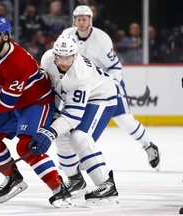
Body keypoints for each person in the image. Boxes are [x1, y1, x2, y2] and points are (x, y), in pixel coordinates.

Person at [0, 17, 72, 207]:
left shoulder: (18, 62)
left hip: (37, 102)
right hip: (15, 103)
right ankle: (12, 177)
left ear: (6, 36)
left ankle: (60, 189)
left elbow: (6, 101)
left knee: (26, 146)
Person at [61, 6, 160, 175]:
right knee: (75, 120)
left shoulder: (101, 39)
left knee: (124, 120)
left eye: (85, 19)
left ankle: (149, 145)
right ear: (74, 20)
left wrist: (114, 84)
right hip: (82, 87)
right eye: (78, 19)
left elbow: (115, 66)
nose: (81, 22)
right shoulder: (66, 35)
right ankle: (79, 156)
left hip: (106, 85)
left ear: (91, 20)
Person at [29, 34, 119, 207]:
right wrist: (52, 119)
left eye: (68, 57)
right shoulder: (47, 59)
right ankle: (75, 180)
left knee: (79, 138)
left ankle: (106, 184)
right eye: (60, 56)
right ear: (54, 54)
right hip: (81, 100)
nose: (63, 61)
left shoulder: (81, 74)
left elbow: (73, 115)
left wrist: (49, 132)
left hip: (101, 97)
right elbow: (50, 89)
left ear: (75, 55)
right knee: (61, 136)